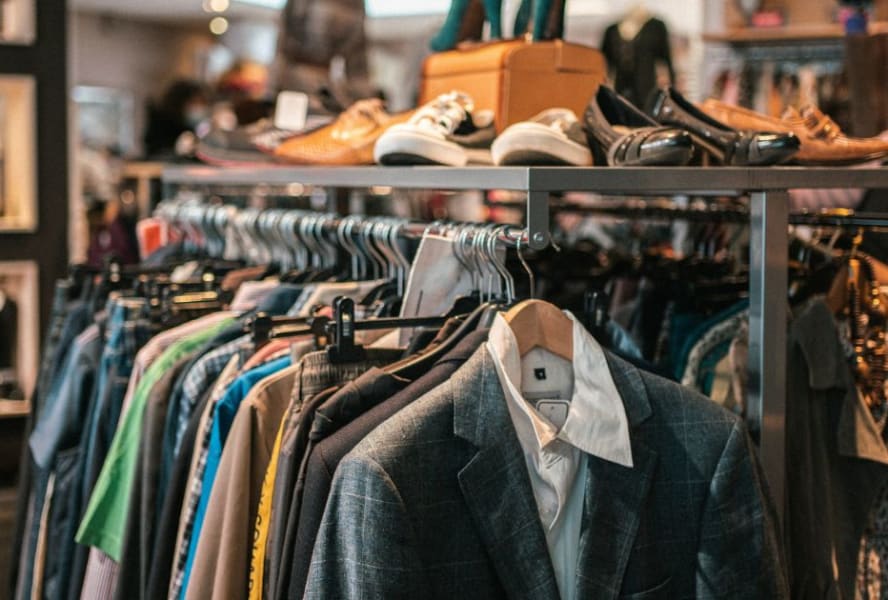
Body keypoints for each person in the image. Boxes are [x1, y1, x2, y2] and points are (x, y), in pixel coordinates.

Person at [143, 80, 209, 159]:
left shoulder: (196, 128)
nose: (199, 108)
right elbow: (152, 154)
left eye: (202, 103)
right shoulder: (161, 126)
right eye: (194, 102)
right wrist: (175, 151)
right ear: (180, 103)